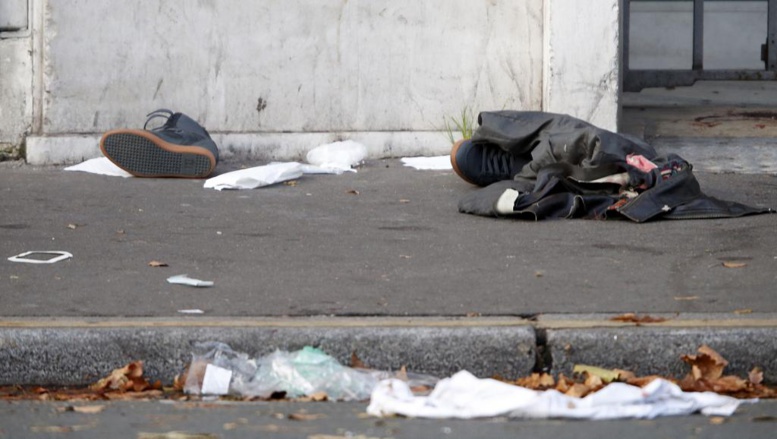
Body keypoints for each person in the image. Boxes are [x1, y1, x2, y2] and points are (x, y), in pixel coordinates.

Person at [99, 109, 219, 178]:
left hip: (195, 138)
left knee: (186, 129)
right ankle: (202, 147)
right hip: (203, 142)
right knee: (204, 144)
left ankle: (174, 137)